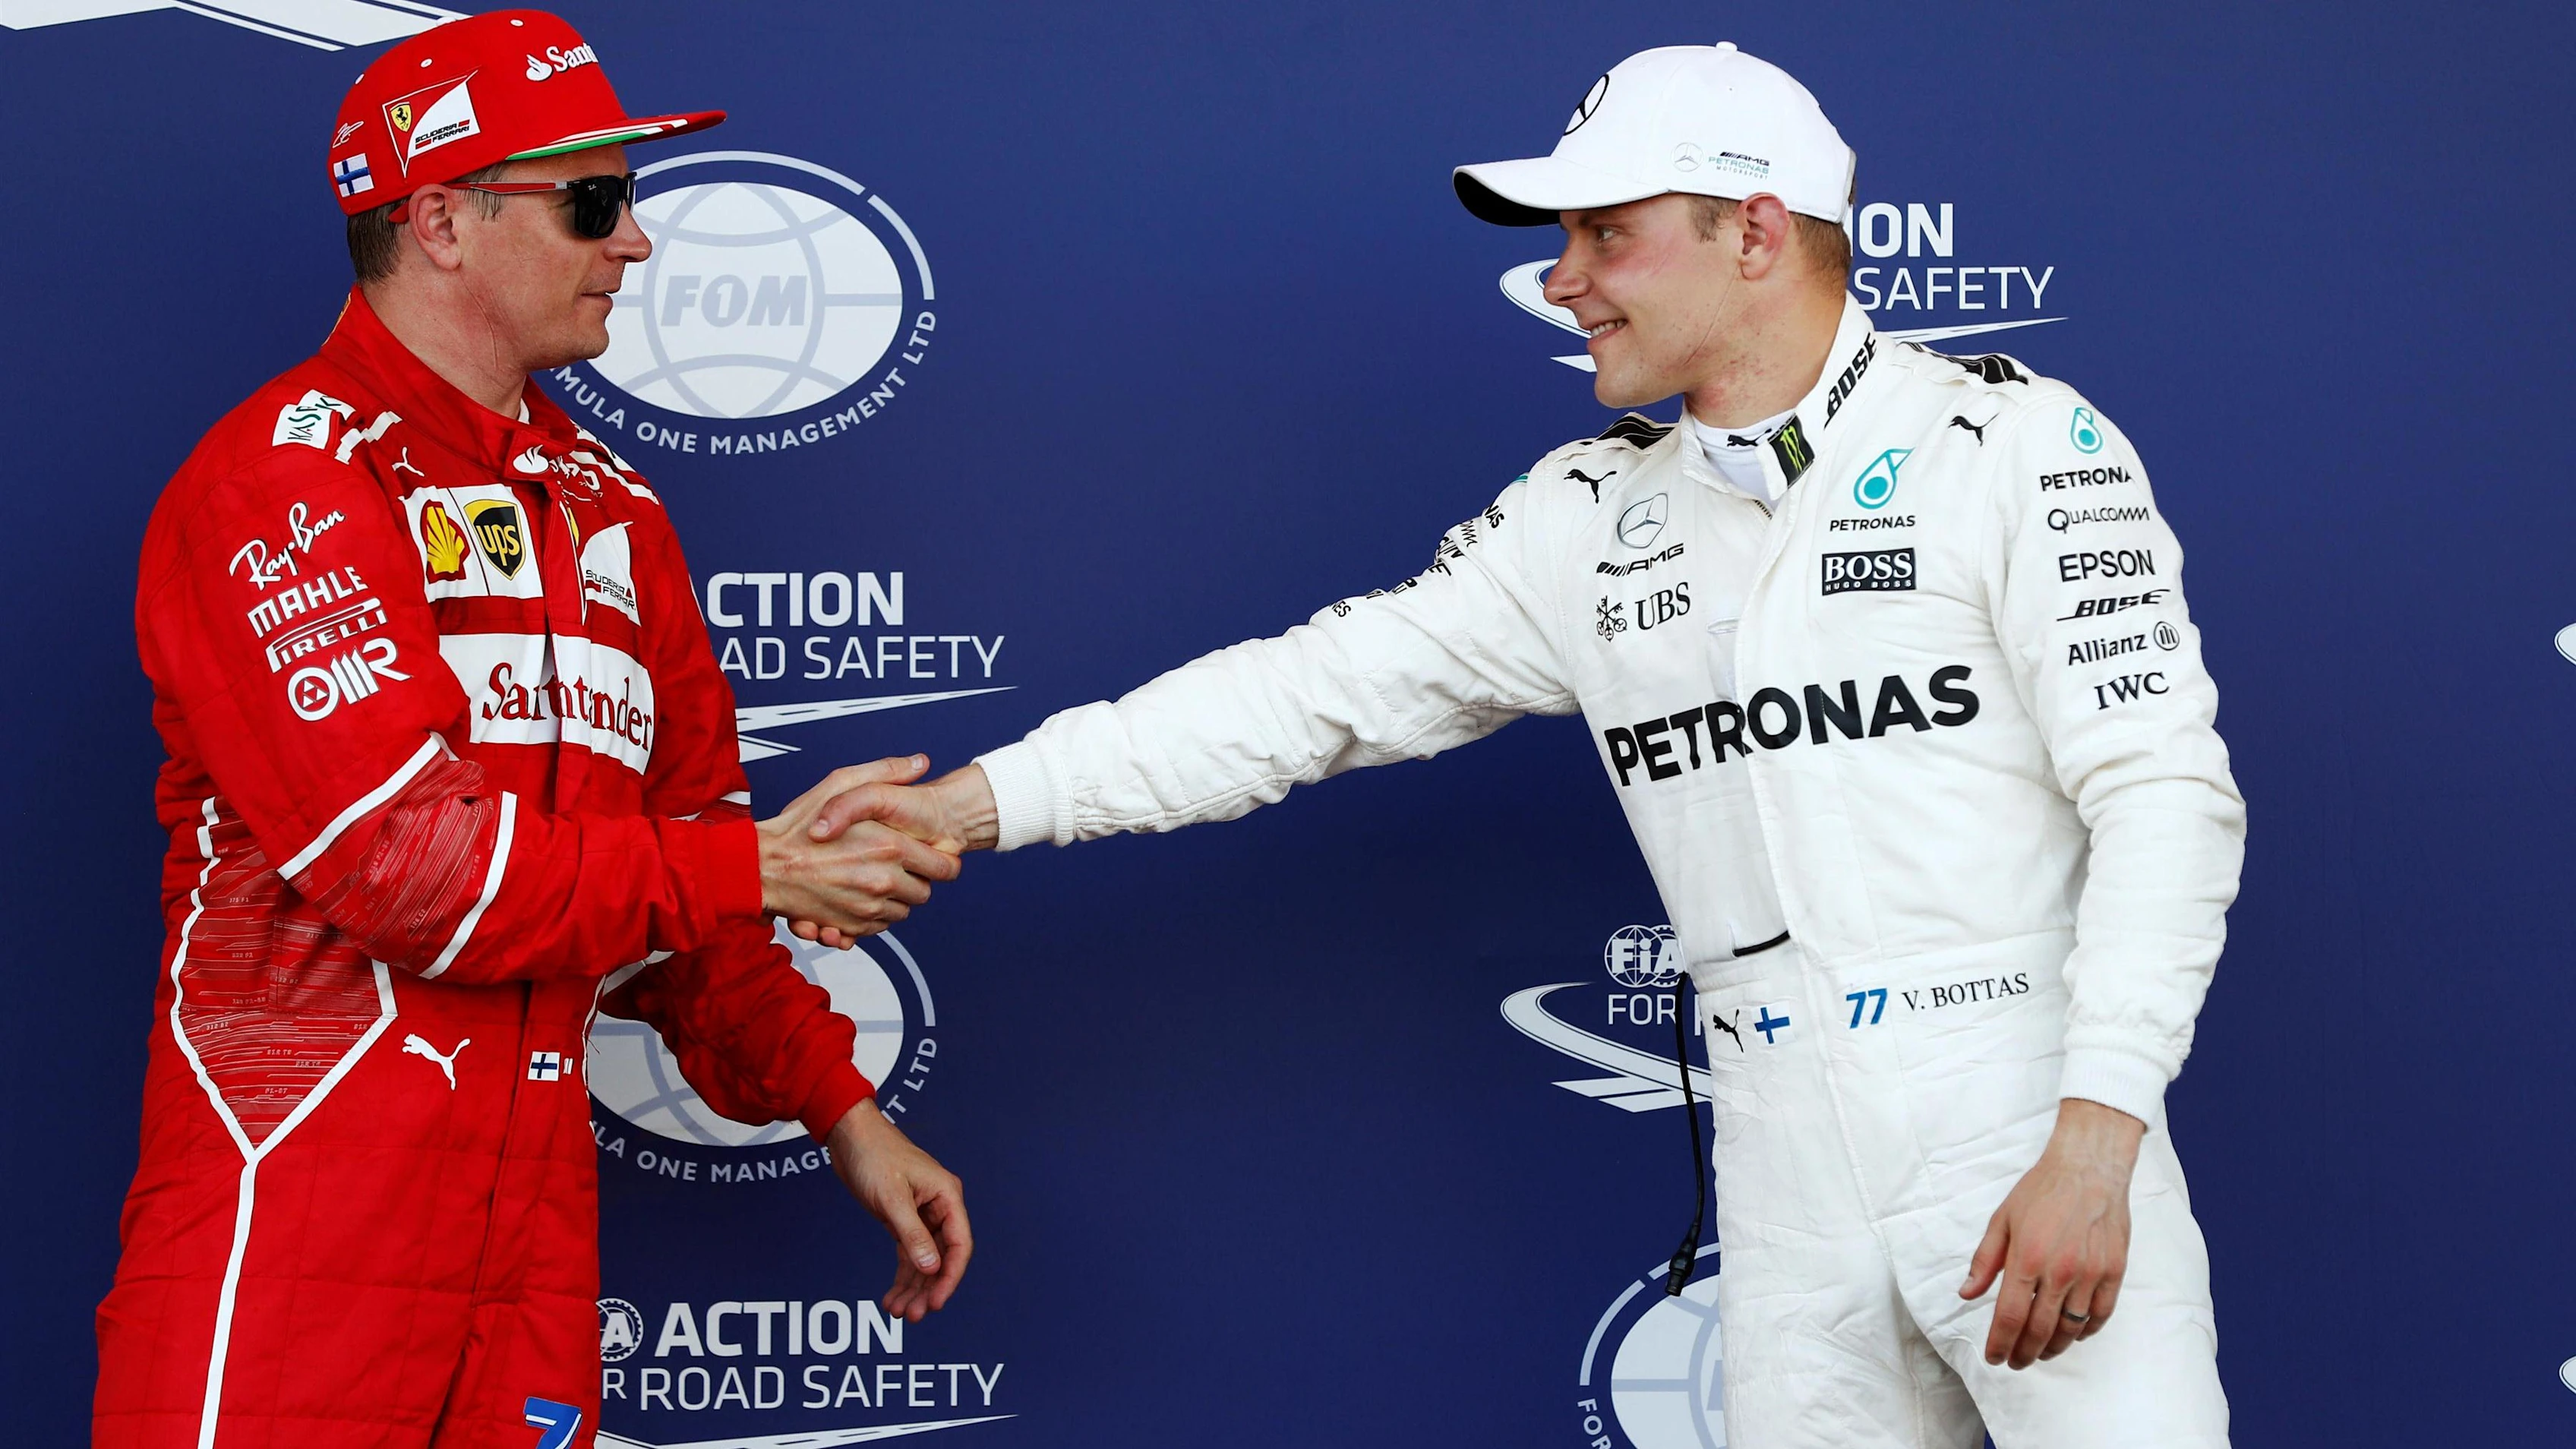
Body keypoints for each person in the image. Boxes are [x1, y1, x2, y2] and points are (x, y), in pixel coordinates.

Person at [803, 41, 2243, 1449]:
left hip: (2018, 1119)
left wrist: (2098, 1139)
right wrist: (975, 808)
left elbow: (2167, 794)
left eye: (1606, 236)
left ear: (1752, 233)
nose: (1562, 280)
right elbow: (1311, 693)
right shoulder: (1586, 517)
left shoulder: (2010, 444)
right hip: (1780, 1150)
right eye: (1564, 240)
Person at [97, 12, 971, 1447]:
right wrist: (758, 865)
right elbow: (413, 876)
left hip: (535, 1259)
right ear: (442, 221)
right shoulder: (281, 485)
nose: (636, 242)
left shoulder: (613, 507)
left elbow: (685, 874)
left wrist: (843, 1113)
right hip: (293, 1228)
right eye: (594, 200)